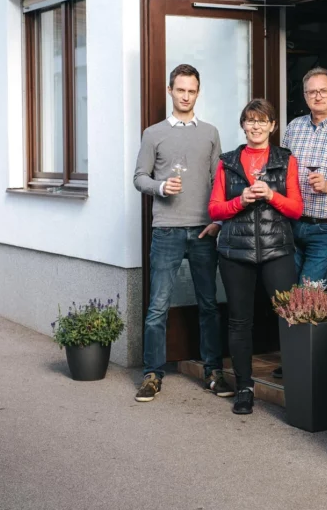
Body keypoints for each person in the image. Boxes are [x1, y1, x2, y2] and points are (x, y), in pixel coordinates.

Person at [133, 64, 231, 403]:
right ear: (171, 91)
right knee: (158, 304)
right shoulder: (153, 133)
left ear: (197, 92)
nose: (186, 95)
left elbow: (219, 180)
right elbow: (139, 177)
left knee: (208, 304)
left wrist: (218, 221)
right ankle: (152, 374)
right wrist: (161, 186)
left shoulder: (210, 132)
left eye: (191, 90)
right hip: (167, 231)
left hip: (203, 230)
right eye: (180, 90)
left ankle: (213, 371)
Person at [208, 98, 303, 415]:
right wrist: (241, 200)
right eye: (250, 120)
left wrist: (272, 195)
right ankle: (244, 388)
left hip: (277, 248)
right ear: (243, 125)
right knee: (239, 322)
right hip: (236, 251)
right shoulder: (228, 161)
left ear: (273, 126)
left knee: (289, 318)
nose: (256, 126)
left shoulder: (286, 160)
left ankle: (298, 387)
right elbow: (214, 208)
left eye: (262, 121)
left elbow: (296, 209)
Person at [276, 67, 327, 379]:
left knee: (309, 288)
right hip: (292, 223)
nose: (317, 96)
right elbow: (279, 167)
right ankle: (295, 356)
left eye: (324, 91)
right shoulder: (294, 128)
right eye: (311, 92)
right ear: (305, 96)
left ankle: (304, 362)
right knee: (287, 290)